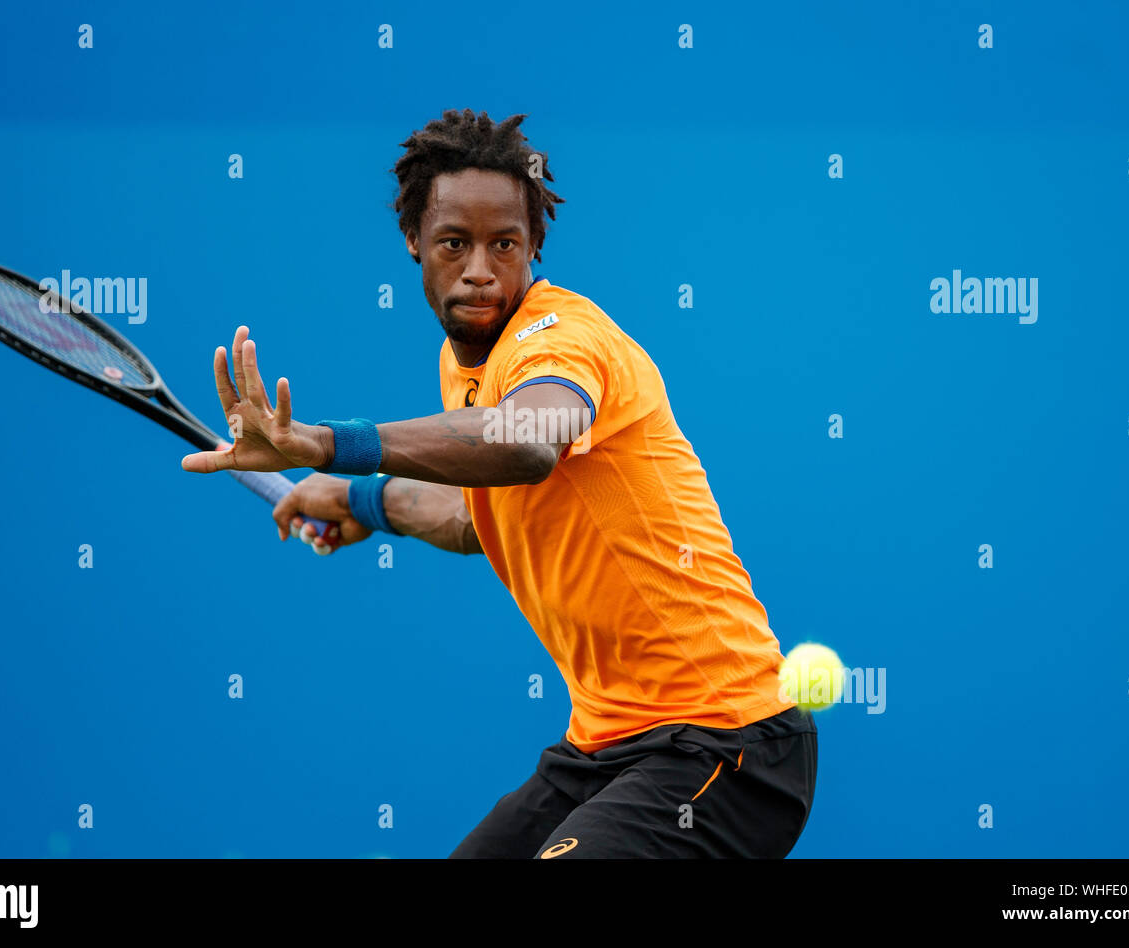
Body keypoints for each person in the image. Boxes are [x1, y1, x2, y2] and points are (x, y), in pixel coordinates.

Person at [182, 108, 817, 858]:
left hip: (726, 743)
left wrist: (323, 446)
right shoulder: (466, 365)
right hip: (604, 745)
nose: (481, 269)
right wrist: (362, 501)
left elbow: (525, 446)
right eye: (455, 243)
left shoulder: (562, 342)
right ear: (414, 242)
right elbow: (478, 516)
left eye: (505, 245)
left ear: (534, 246)